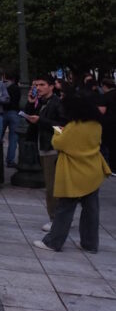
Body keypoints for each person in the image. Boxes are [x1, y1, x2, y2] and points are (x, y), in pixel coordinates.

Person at [33, 90, 111, 253]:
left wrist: (58, 131)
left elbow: (59, 143)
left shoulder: (75, 127)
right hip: (93, 171)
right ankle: (90, 243)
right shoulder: (96, 124)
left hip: (74, 173)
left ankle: (53, 242)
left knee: (65, 209)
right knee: (91, 210)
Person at [22, 74, 67, 231]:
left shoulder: (56, 103)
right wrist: (29, 104)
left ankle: (55, 218)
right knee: (51, 185)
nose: (38, 88)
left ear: (51, 86)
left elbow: (62, 127)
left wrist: (41, 121)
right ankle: (58, 216)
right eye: (36, 85)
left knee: (52, 186)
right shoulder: (40, 102)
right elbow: (30, 118)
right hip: (43, 145)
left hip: (52, 148)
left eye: (42, 84)